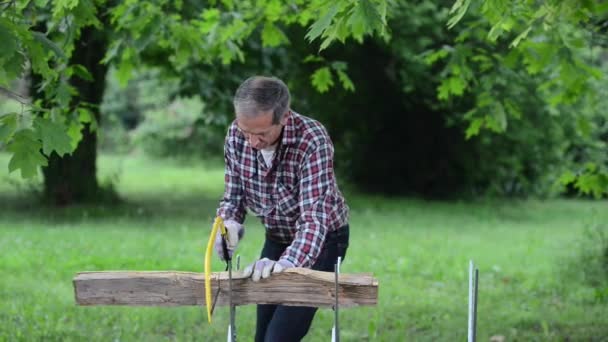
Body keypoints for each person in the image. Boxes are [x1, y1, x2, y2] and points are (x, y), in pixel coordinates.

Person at [213, 75, 350, 341]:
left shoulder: (312, 139)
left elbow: (314, 220)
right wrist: (228, 224)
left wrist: (287, 264)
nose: (252, 142)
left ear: (284, 117)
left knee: (279, 338)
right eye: (246, 132)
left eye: (262, 133)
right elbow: (233, 196)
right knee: (262, 335)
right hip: (276, 236)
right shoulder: (235, 134)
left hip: (324, 241)